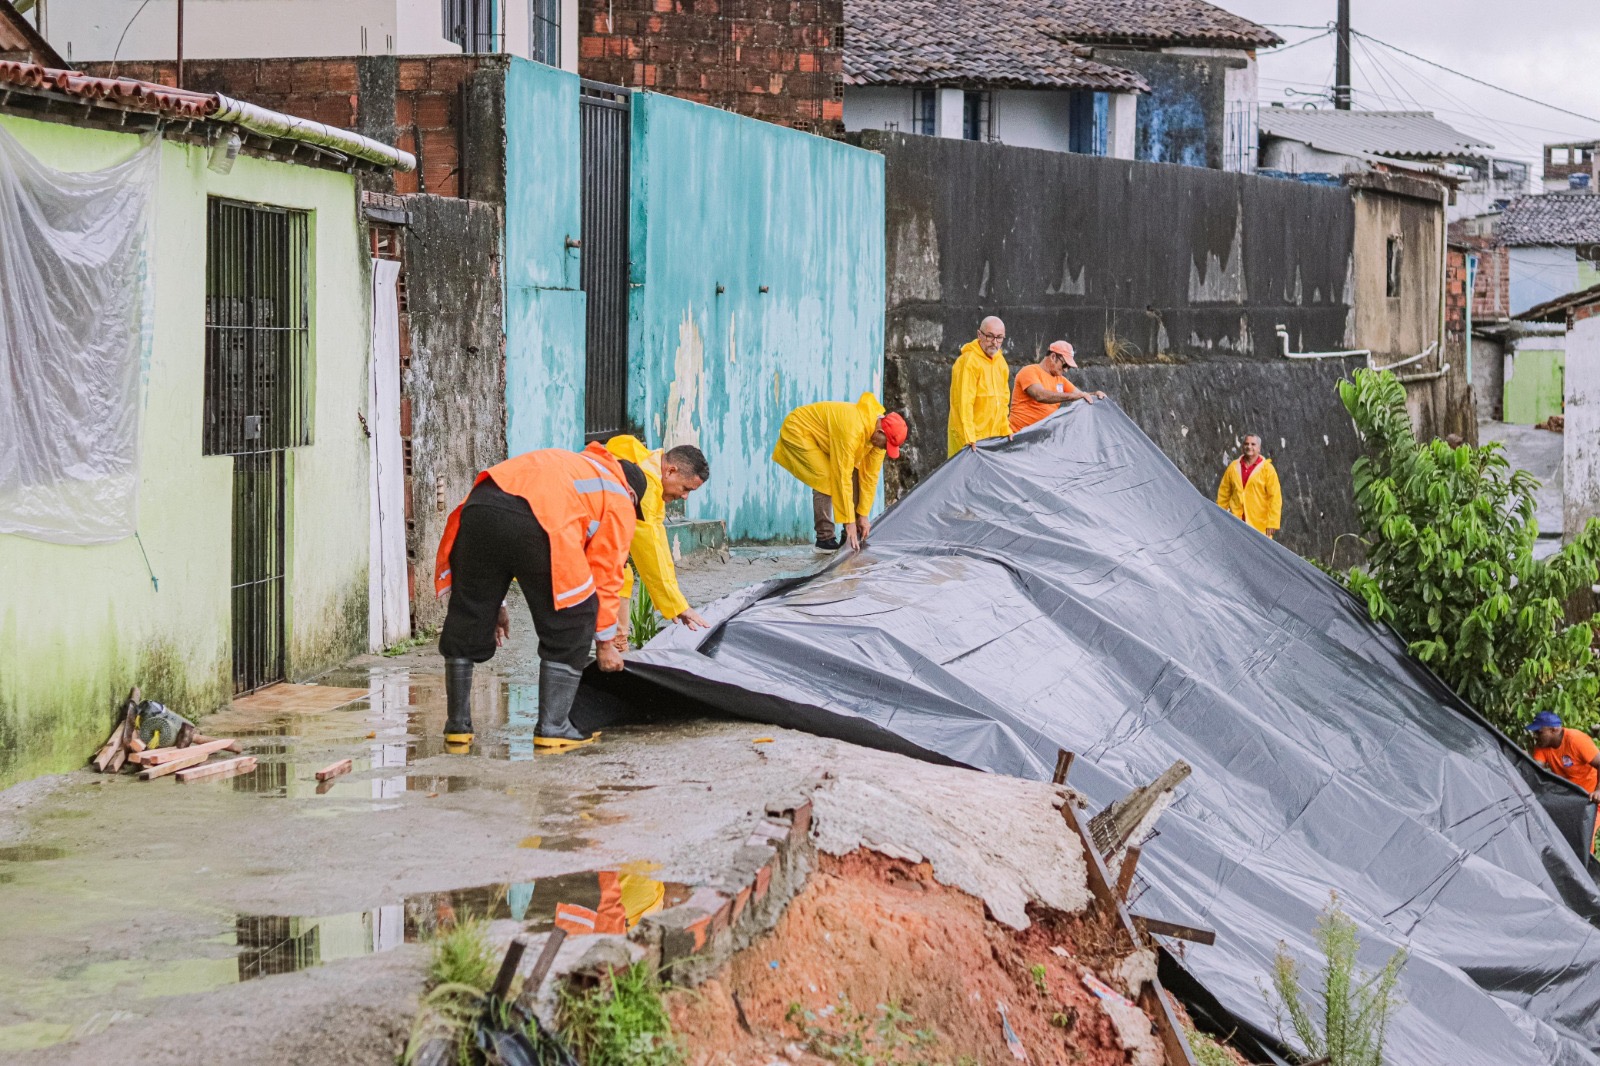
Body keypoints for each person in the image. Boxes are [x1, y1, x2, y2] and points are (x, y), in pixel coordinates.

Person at [433, 442, 645, 751]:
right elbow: (606, 576)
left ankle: (457, 727)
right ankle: (554, 727)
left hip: (479, 507)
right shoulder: (617, 496)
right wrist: (605, 644)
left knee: (470, 611)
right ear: (633, 495)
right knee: (575, 614)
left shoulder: (571, 464)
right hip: (539, 521)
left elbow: (504, 523)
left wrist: (497, 604)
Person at [605, 436, 713, 638]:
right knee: (617, 575)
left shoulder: (648, 470)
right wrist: (676, 604)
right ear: (670, 471)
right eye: (686, 488)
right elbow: (649, 549)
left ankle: (614, 647)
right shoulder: (645, 484)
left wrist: (675, 601)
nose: (685, 497)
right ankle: (614, 648)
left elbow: (659, 542)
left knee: (620, 572)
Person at [771, 392, 908, 551]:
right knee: (827, 478)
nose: (884, 449)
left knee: (857, 474)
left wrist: (862, 515)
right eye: (886, 446)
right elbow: (841, 475)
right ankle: (824, 540)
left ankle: (848, 537)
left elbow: (869, 477)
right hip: (798, 429)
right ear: (880, 432)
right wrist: (849, 521)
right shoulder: (852, 428)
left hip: (824, 439)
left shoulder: (878, 440)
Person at [947, 316, 1012, 457]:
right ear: (979, 335)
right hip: (970, 440)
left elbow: (1003, 401)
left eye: (999, 338)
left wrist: (1005, 429)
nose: (994, 342)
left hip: (992, 438)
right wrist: (969, 437)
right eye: (990, 336)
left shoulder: (1001, 362)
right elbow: (964, 403)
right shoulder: (968, 362)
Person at [1008, 341, 1106, 432]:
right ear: (1053, 357)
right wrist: (1070, 396)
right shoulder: (1029, 371)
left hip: (1041, 438)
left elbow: (1080, 395)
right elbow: (1040, 395)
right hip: (1019, 437)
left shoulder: (1060, 379)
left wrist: (1094, 395)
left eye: (1069, 367)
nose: (1066, 370)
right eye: (1065, 365)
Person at [1215, 434, 1282, 538]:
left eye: (1253, 444)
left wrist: (1272, 522)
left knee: (1258, 553)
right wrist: (1219, 514)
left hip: (1258, 524)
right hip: (1236, 521)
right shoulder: (1233, 467)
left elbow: (1275, 498)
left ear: (1259, 448)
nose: (1249, 447)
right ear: (1242, 447)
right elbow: (1224, 492)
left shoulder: (1267, 469)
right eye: (1246, 444)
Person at [1528, 712, 1600, 800]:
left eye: (1539, 732)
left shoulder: (1576, 740)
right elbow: (1536, 770)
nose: (1535, 736)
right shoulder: (1542, 745)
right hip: (1568, 796)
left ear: (1554, 730)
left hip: (1590, 796)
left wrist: (1598, 791)